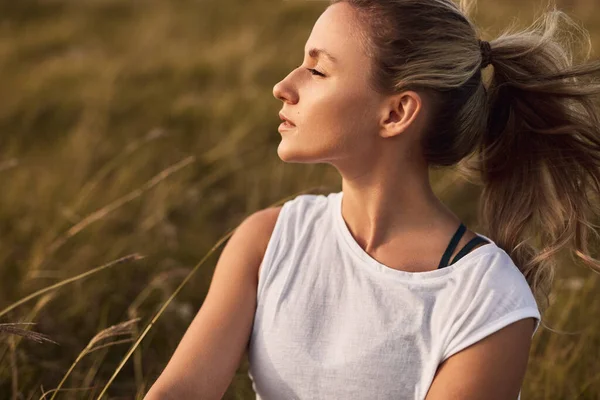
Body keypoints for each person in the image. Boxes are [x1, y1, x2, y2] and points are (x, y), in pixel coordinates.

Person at [145, 0, 600, 399]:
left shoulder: (487, 300)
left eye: (317, 69)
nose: (283, 85)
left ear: (396, 112)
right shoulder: (267, 240)